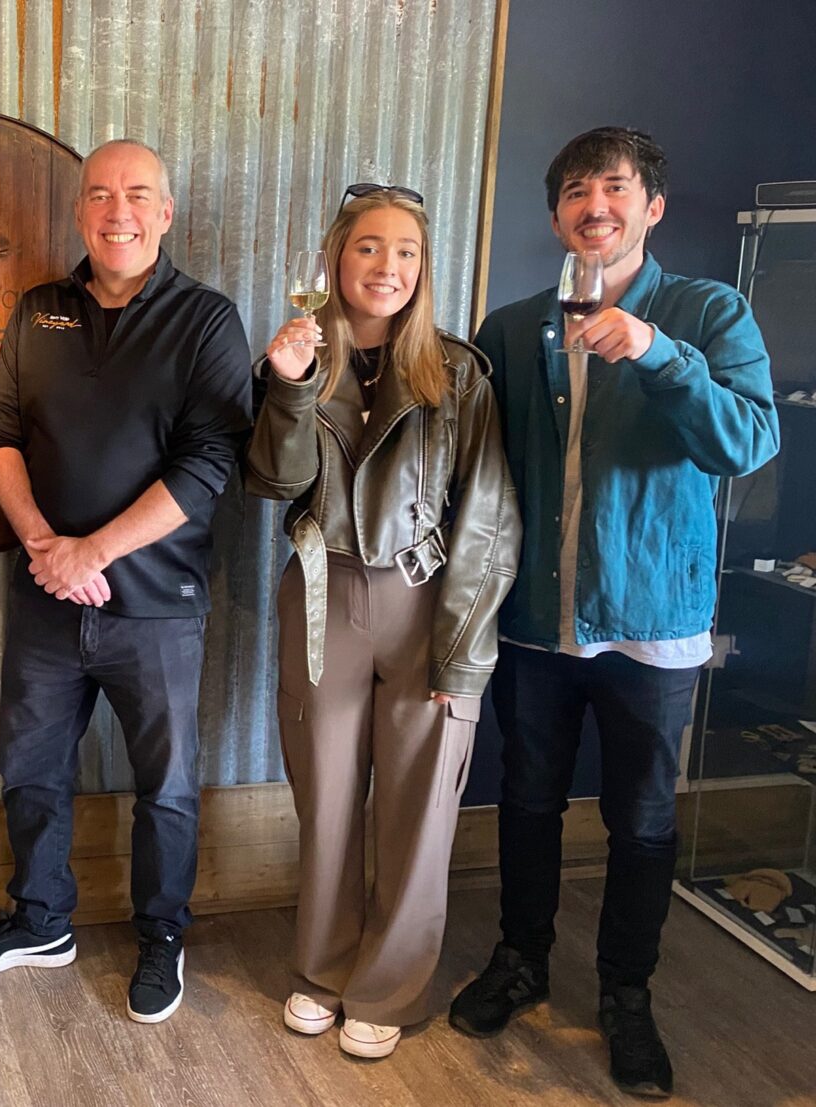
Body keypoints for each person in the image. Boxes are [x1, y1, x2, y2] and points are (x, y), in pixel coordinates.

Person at [448, 127, 778, 1099]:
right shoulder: (512, 327)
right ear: (556, 216)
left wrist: (660, 355)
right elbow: (472, 461)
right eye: (576, 191)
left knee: (641, 820)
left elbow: (748, 442)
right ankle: (520, 960)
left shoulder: (706, 312)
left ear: (652, 206)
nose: (596, 204)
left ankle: (626, 994)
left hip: (655, 620)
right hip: (534, 619)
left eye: (616, 186)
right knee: (527, 801)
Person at [0, 139, 252, 1024]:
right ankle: (41, 919)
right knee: (31, 766)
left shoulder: (207, 320)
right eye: (102, 195)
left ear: (166, 213)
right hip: (45, 594)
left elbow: (209, 464)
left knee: (166, 783)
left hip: (157, 604)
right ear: (80, 211)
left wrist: (95, 553)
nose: (119, 212)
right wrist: (46, 544)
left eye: (139, 195)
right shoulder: (39, 311)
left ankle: (162, 936)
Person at [246, 186, 520, 1058]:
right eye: (369, 247)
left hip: (425, 598)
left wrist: (464, 645)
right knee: (326, 795)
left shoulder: (458, 371)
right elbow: (274, 481)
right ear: (337, 257)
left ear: (423, 267)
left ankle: (388, 986)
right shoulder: (302, 354)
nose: (387, 266)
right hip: (321, 593)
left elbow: (489, 514)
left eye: (406, 251)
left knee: (418, 806)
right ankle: (323, 968)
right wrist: (288, 388)